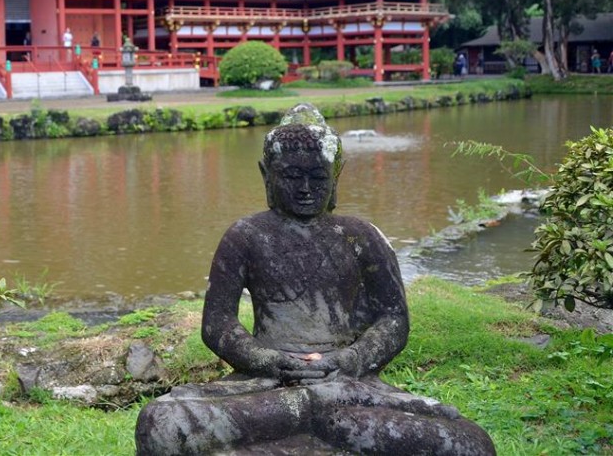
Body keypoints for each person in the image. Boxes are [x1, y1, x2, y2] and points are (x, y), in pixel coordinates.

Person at [135, 104, 496, 455]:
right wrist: (266, 359)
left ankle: (310, 426)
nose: (306, 188)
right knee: (160, 424)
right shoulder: (245, 235)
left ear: (336, 176)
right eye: (292, 176)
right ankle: (311, 425)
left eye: (318, 178)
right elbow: (217, 324)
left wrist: (349, 360)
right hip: (268, 389)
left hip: (345, 387)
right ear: (267, 175)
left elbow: (394, 320)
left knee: (470, 444)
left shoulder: (361, 236)